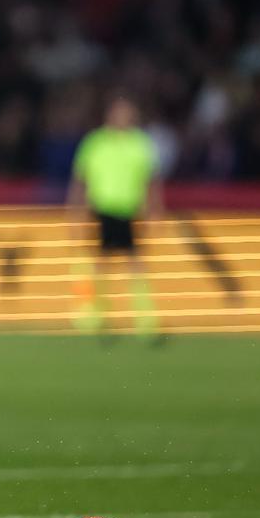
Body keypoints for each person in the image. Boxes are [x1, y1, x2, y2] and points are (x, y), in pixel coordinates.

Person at [66, 95, 163, 338]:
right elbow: (80, 179)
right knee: (99, 263)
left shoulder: (140, 143)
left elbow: (151, 180)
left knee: (135, 262)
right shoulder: (95, 142)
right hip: (102, 209)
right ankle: (95, 314)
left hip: (130, 210)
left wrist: (155, 210)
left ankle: (145, 318)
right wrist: (75, 210)